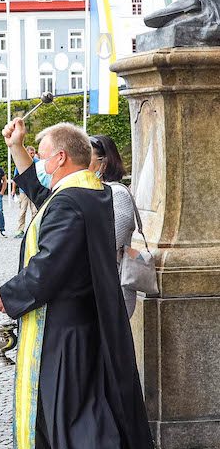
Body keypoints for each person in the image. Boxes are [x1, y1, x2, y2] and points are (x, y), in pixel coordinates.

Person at [0, 119, 163, 449]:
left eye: (45, 158)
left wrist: (7, 295)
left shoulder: (70, 201)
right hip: (85, 324)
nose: (42, 164)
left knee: (72, 427)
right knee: (64, 423)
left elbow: (48, 268)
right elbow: (42, 197)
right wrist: (17, 147)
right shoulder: (91, 193)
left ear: (61, 158)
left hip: (63, 332)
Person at [90, 135, 140, 318]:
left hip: (115, 284)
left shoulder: (117, 193)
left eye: (89, 158)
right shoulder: (92, 191)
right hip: (99, 284)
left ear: (105, 162)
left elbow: (111, 242)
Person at [12, 146, 39, 238]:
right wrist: (13, 190)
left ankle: (33, 230)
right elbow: (16, 178)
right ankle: (20, 230)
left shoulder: (38, 163)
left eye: (33, 153)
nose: (31, 155)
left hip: (35, 190)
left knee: (35, 211)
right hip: (23, 190)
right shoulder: (20, 162)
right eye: (30, 153)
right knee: (22, 210)